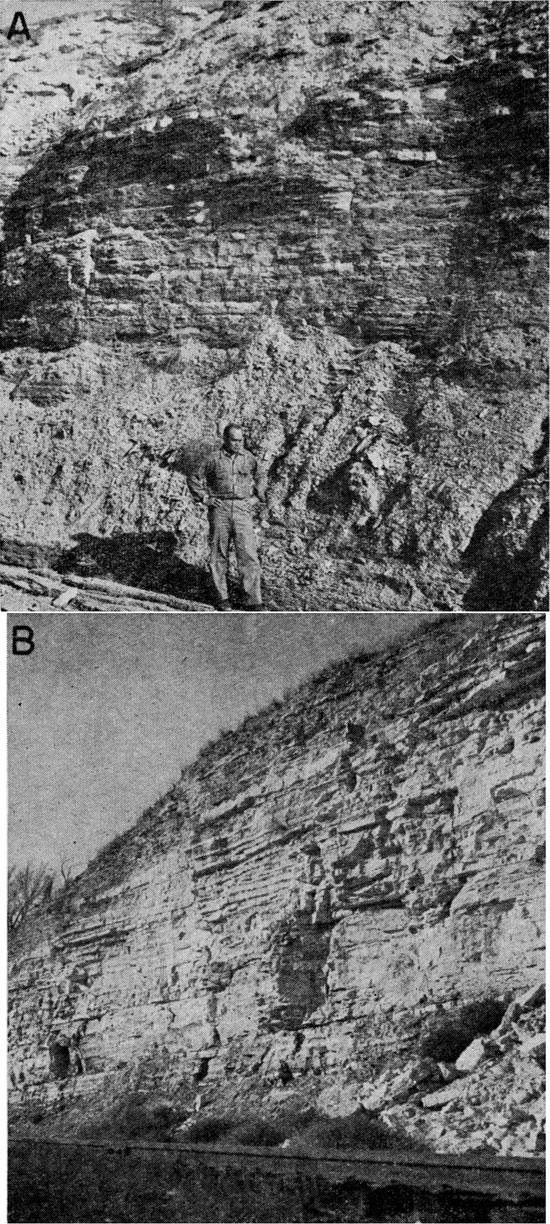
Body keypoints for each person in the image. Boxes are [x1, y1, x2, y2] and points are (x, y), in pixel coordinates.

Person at [188, 424, 266, 610]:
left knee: (248, 554)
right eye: (234, 440)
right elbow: (193, 477)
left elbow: (261, 476)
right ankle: (221, 598)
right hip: (220, 508)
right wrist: (205, 498)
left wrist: (256, 497)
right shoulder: (213, 458)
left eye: (240, 440)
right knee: (219, 554)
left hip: (242, 508)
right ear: (225, 439)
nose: (238, 443)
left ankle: (253, 600)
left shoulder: (248, 458)